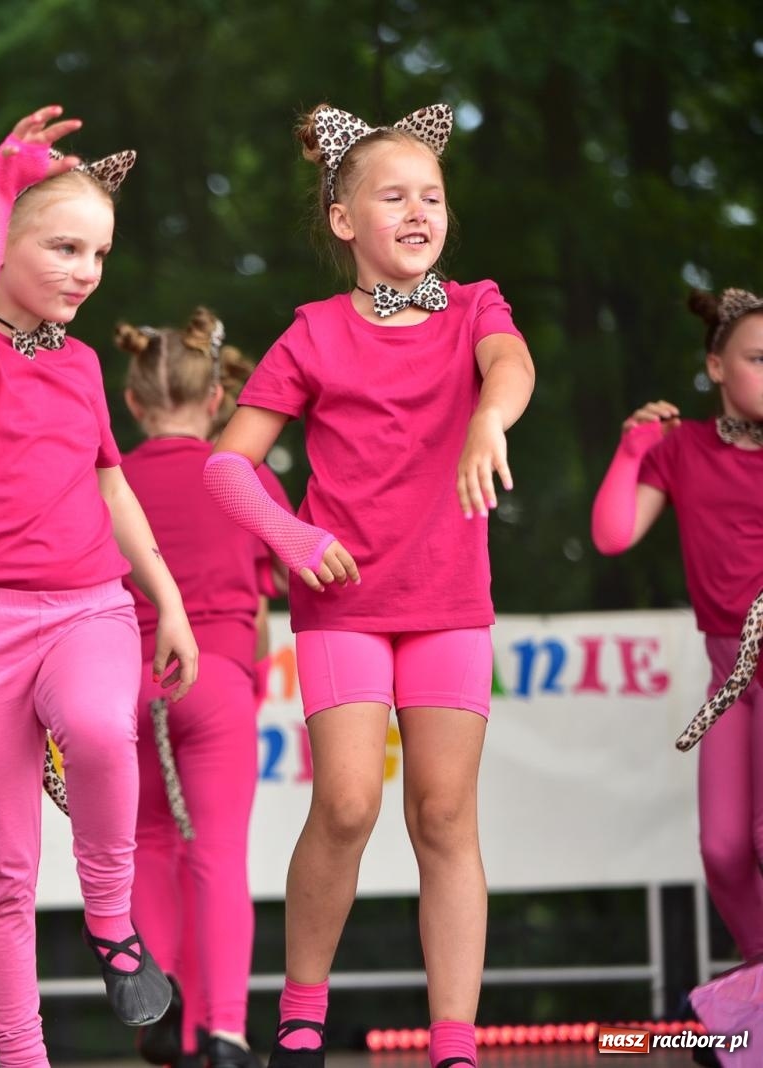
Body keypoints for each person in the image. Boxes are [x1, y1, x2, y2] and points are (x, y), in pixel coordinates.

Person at [203, 103, 535, 1068]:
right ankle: (301, 1016)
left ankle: (454, 1044)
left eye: (432, 196)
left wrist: (489, 423)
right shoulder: (311, 333)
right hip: (343, 600)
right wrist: (291, 534)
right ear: (346, 220)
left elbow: (508, 366)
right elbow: (228, 465)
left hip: (448, 601)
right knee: (346, 804)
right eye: (393, 196)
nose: (419, 211)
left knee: (442, 812)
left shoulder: (476, 307)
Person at [0, 104, 199, 1068]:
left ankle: (112, 922)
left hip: (87, 606)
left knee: (106, 729)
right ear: (3, 243)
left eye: (100, 253)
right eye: (65, 246)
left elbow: (111, 480)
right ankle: (21, 1057)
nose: (85, 270)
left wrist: (169, 598)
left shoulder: (78, 367)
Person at [116, 309, 287, 1068]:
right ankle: (223, 1032)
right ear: (218, 399)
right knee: (218, 852)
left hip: (129, 682)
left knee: (147, 846)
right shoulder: (240, 475)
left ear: (130, 403)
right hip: (216, 675)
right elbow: (289, 574)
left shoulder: (108, 480)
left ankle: (164, 1022)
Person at [591, 287, 763, 967]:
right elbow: (612, 535)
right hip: (729, 674)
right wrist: (632, 453)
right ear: (716, 366)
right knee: (723, 848)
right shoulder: (684, 448)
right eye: (757, 358)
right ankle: (757, 980)